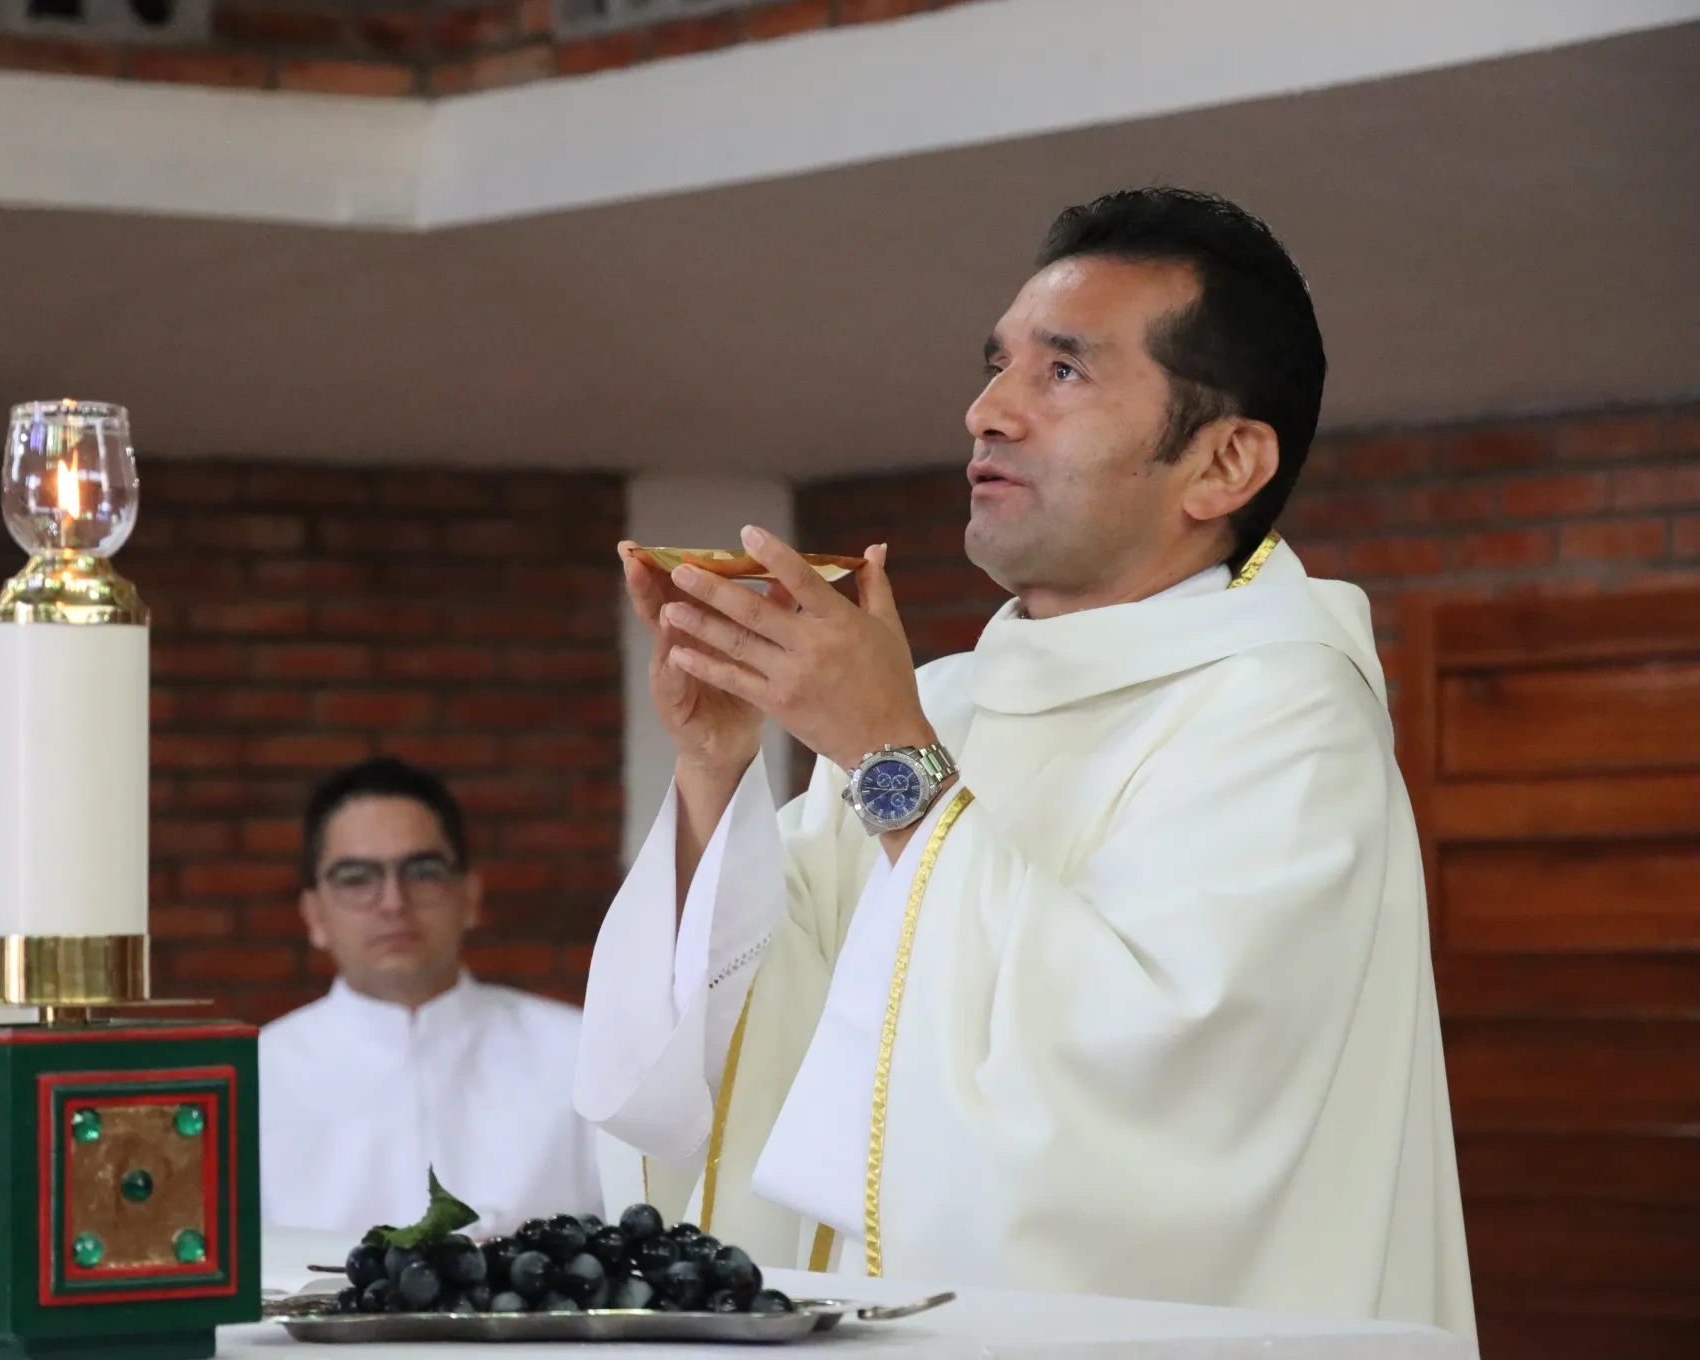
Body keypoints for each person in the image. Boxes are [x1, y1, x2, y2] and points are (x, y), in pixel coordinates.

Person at [575, 188, 1473, 1336]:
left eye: (1061, 371)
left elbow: (1144, 1094)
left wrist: (886, 753)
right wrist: (714, 765)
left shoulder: (1284, 713)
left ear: (1222, 462)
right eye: (996, 365)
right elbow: (766, 1023)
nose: (986, 411)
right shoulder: (941, 703)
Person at [259, 756, 600, 1235]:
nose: (393, 902)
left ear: (470, 897)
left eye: (422, 871)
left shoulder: (580, 1054)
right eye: (356, 878)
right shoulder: (256, 1078)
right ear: (314, 914)